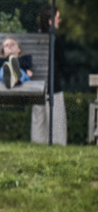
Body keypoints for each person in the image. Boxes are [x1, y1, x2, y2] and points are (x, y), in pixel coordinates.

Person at [32, 9, 67, 145]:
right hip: (54, 86)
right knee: (57, 123)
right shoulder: (54, 40)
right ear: (50, 21)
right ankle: (58, 146)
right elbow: (64, 63)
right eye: (58, 18)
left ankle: (37, 146)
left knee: (38, 123)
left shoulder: (35, 39)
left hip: (37, 86)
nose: (60, 20)